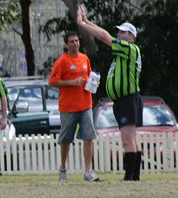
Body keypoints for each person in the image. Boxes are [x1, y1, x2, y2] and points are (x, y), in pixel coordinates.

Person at [77, 4, 143, 181]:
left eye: (123, 33)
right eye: (119, 32)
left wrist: (83, 25)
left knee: (128, 139)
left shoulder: (129, 49)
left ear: (132, 37)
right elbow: (106, 33)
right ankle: (134, 177)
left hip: (128, 98)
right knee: (131, 139)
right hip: (124, 100)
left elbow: (105, 36)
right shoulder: (123, 52)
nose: (119, 35)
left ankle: (130, 177)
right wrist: (86, 20)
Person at [48, 31, 99, 182]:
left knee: (88, 137)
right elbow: (52, 82)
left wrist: (94, 83)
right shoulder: (62, 61)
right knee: (66, 139)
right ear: (66, 44)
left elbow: (90, 76)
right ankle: (63, 169)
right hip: (68, 107)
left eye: (77, 41)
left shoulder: (84, 58)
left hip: (85, 105)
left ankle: (88, 172)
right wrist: (71, 82)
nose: (75, 43)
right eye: (71, 41)